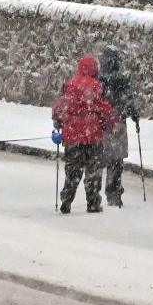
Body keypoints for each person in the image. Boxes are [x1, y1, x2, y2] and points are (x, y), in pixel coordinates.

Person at [52, 55, 117, 214]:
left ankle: (66, 199)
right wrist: (108, 123)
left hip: (73, 136)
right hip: (93, 135)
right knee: (93, 171)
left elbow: (59, 107)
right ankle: (93, 202)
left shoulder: (69, 85)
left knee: (73, 170)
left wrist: (58, 122)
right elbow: (105, 109)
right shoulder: (97, 86)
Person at [98, 45, 140, 207]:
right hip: (118, 125)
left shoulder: (98, 81)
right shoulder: (122, 82)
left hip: (102, 125)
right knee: (116, 161)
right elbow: (129, 103)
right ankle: (113, 192)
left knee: (100, 158)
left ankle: (94, 191)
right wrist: (134, 116)